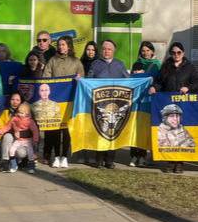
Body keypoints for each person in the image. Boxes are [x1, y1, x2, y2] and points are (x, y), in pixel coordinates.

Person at [152, 42, 198, 173]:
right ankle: (170, 162)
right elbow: (159, 82)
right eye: (173, 53)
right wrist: (154, 88)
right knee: (169, 134)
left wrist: (188, 87)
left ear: (183, 53)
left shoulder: (189, 67)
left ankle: (179, 163)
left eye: (178, 52)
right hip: (167, 103)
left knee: (180, 133)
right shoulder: (166, 66)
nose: (176, 55)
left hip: (183, 105)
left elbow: (197, 82)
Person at [41, 36, 82, 168]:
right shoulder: (52, 61)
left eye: (63, 44)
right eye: (59, 45)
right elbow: (45, 78)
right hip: (55, 101)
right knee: (55, 130)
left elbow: (83, 79)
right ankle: (56, 156)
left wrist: (79, 79)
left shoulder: (76, 61)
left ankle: (64, 156)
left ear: (69, 46)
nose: (60, 47)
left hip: (70, 101)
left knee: (67, 130)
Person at [87, 39, 129, 168]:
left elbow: (128, 81)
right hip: (99, 104)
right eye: (104, 48)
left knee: (113, 132)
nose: (106, 51)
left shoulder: (120, 65)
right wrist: (81, 80)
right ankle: (99, 159)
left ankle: (110, 161)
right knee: (100, 131)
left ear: (114, 51)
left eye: (109, 49)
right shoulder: (95, 64)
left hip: (116, 105)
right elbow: (89, 80)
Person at [129, 42, 162, 166]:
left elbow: (160, 80)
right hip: (137, 100)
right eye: (143, 51)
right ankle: (133, 156)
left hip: (150, 100)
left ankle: (143, 156)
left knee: (146, 128)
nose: (145, 53)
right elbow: (131, 80)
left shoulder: (158, 65)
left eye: (148, 50)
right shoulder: (137, 63)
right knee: (134, 126)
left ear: (152, 51)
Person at [0, 101, 40, 174]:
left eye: (22, 113)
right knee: (11, 151)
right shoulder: (14, 119)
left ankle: (31, 166)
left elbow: (35, 131)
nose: (20, 114)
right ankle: (14, 165)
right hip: (18, 140)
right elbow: (8, 126)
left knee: (31, 153)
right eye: (19, 112)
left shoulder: (30, 121)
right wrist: (2, 131)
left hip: (27, 140)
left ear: (27, 113)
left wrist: (35, 140)